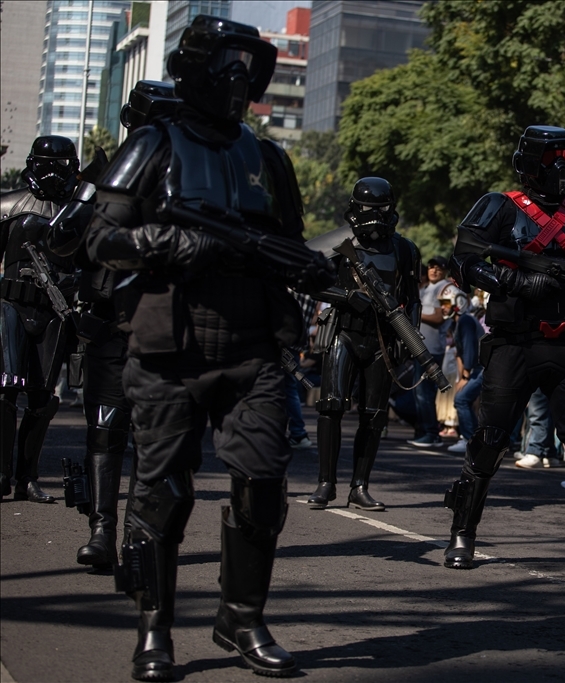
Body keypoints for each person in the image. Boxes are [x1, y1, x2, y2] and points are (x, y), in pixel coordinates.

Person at [84, 16, 332, 680]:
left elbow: (289, 243)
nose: (238, 82)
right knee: (160, 492)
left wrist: (310, 271)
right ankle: (151, 626)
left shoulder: (268, 157)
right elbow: (97, 238)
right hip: (171, 343)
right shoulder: (153, 143)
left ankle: (242, 617)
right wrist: (161, 244)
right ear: (194, 70)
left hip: (252, 348)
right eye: (226, 67)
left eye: (248, 72)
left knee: (263, 489)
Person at [443, 124, 565, 579]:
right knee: (489, 441)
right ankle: (462, 536)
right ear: (530, 163)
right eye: (552, 159)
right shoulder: (499, 206)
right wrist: (513, 280)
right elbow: (462, 259)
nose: (561, 169)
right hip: (515, 343)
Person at [47, 80, 180, 568]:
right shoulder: (104, 179)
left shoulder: (185, 185)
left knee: (153, 437)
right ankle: (102, 531)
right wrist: (90, 194)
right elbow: (61, 239)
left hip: (163, 328)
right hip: (109, 326)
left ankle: (133, 536)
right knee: (105, 430)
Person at [305, 177, 421, 511]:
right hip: (345, 330)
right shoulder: (338, 242)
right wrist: (346, 297)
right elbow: (305, 277)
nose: (375, 217)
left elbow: (411, 299)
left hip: (383, 340)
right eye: (369, 210)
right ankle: (326, 483)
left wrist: (408, 337)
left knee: (374, 415)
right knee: (331, 405)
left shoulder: (404, 249)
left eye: (380, 210)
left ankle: (360, 485)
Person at [1, 135, 81, 504]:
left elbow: (93, 261)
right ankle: (3, 474)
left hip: (54, 312)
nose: (57, 174)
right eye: (51, 165)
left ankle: (26, 477)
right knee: (5, 393)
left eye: (64, 166)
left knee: (42, 399)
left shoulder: (79, 211)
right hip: (10, 307)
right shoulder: (10, 205)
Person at [408, 256, 450, 447]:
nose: (433, 270)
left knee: (425, 393)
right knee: (419, 392)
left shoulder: (446, 289)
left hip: (432, 349)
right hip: (421, 348)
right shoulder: (426, 289)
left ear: (445, 271)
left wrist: (415, 315)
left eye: (438, 268)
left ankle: (432, 433)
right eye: (431, 267)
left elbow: (441, 317)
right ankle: (424, 431)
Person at [438, 282, 484, 454]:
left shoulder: (465, 321)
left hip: (482, 368)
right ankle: (473, 439)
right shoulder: (457, 322)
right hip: (477, 369)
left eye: (446, 303)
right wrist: (461, 378)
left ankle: (469, 439)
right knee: (463, 399)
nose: (442, 308)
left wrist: (465, 377)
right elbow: (459, 353)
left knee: (461, 400)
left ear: (457, 302)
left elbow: (470, 350)